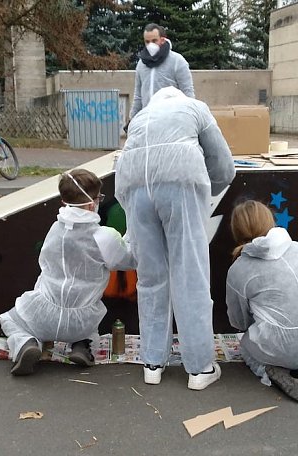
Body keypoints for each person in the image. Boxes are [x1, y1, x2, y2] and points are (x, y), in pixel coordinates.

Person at [115, 86, 235, 390]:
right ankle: (199, 368)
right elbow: (224, 166)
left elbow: (122, 173)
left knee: (151, 277)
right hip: (181, 187)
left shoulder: (141, 118)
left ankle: (152, 363)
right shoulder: (195, 109)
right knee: (189, 276)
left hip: (135, 191)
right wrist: (206, 190)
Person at [0, 169, 136, 375]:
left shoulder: (55, 229)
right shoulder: (103, 236)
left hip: (42, 315)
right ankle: (82, 346)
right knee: (90, 324)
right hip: (81, 321)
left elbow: (43, 262)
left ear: (64, 202)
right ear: (92, 203)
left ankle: (26, 344)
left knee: (9, 319)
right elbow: (127, 260)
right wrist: (130, 235)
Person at [226, 201, 298, 403]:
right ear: (269, 221)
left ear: (236, 230)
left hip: (284, 348)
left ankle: (272, 372)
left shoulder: (240, 268)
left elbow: (239, 322)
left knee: (246, 345)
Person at [128, 23, 194, 126]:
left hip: (171, 122)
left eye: (154, 41)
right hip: (148, 122)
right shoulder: (141, 64)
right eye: (147, 42)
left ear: (162, 40)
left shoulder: (177, 61)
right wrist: (132, 121)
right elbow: (138, 96)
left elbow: (188, 93)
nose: (150, 45)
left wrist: (190, 120)